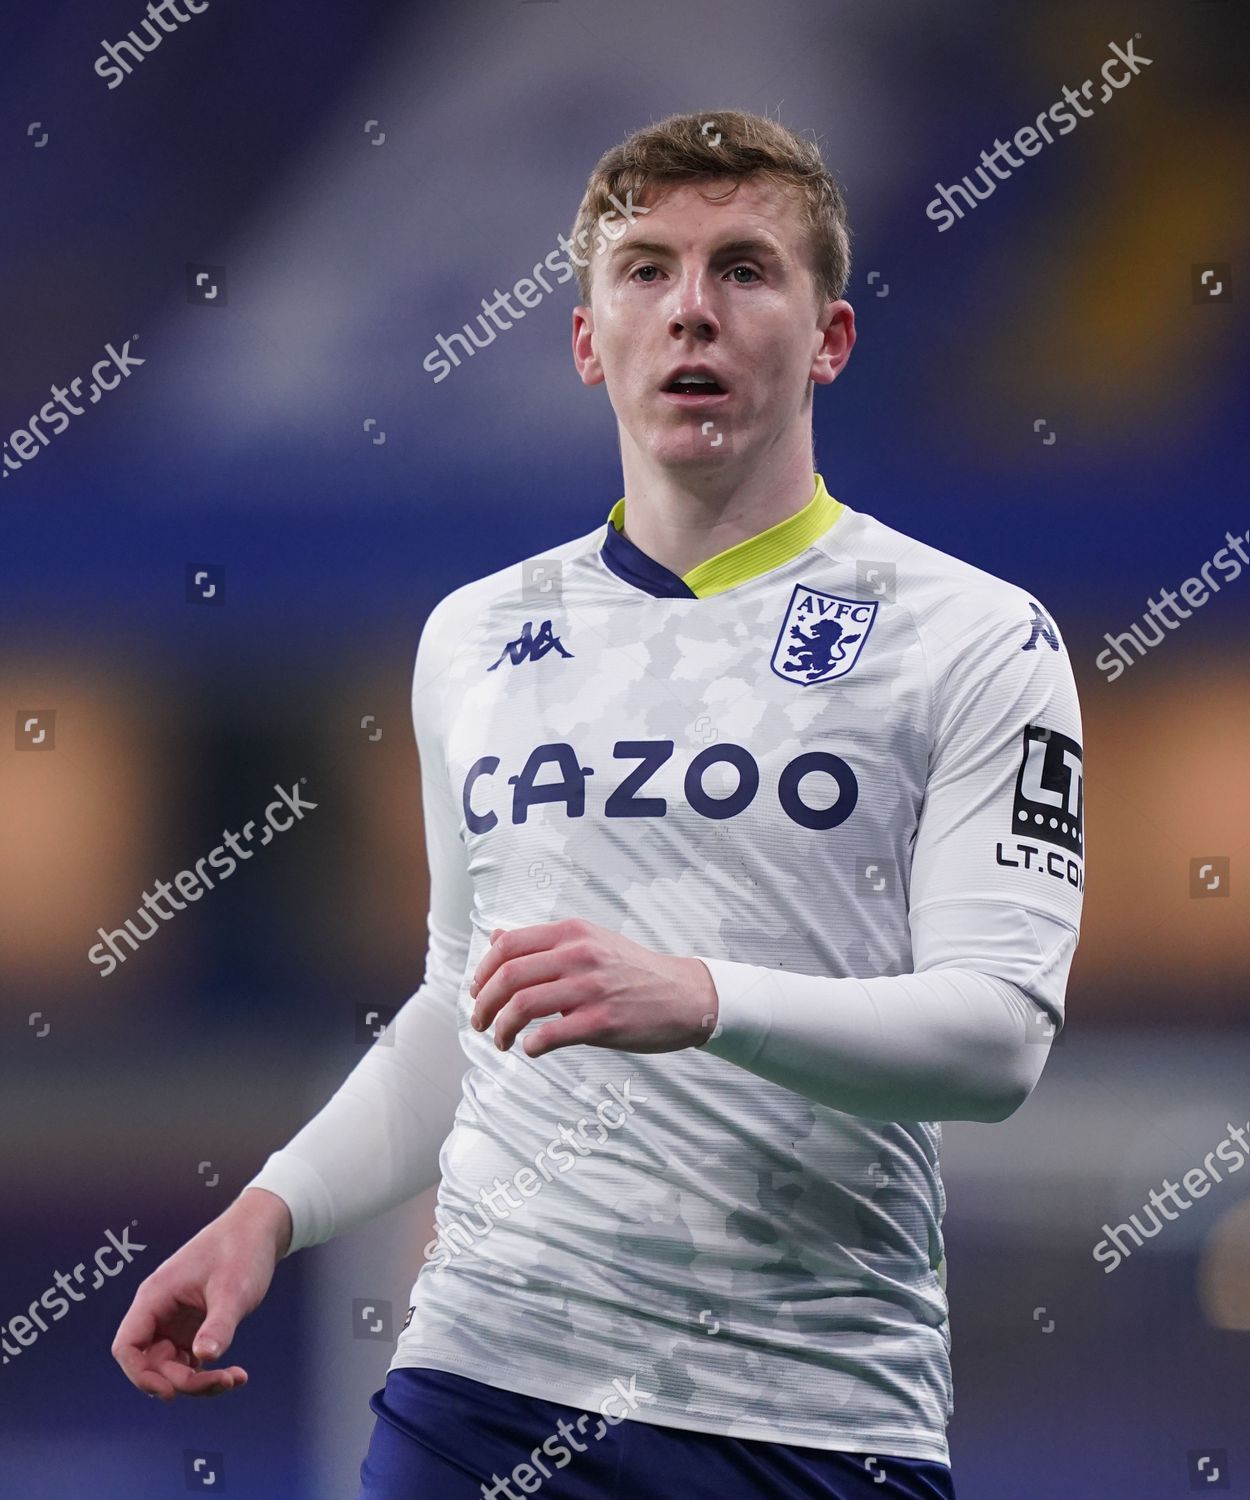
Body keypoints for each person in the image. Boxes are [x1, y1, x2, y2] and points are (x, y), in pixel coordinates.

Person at [113, 108, 1085, 1499]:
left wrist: (699, 995)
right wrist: (274, 1210)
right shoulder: (473, 635)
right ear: (587, 340)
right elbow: (467, 1000)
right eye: (645, 271)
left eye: (744, 268)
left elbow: (995, 1044)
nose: (690, 309)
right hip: (484, 1387)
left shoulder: (974, 635)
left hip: (816, 1411)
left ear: (829, 340)